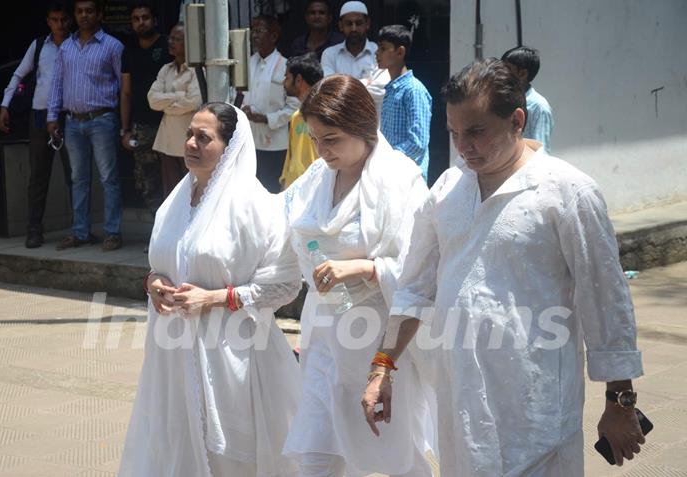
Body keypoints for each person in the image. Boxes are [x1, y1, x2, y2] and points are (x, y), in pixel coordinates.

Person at [361, 59, 645, 476]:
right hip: (460, 399)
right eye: (455, 133)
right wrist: (382, 367)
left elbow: (605, 299)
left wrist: (620, 402)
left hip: (537, 407)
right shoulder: (447, 189)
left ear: (517, 120)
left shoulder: (567, 192)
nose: (464, 146)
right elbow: (414, 287)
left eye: (477, 131)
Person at [119, 103, 302, 477]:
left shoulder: (255, 206)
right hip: (171, 351)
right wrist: (154, 283)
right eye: (190, 134)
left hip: (231, 352)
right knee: (174, 437)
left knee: (234, 450)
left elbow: (284, 284)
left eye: (204, 137)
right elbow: (164, 262)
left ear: (230, 145)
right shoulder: (174, 203)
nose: (190, 143)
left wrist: (214, 298)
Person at [281, 75, 434, 477]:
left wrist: (367, 268)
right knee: (317, 449)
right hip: (324, 331)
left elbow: (421, 268)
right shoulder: (317, 177)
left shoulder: (401, 181)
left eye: (330, 138)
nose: (321, 150)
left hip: (379, 337)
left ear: (363, 128)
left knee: (394, 450)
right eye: (315, 139)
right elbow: (284, 223)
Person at [47, 0, 124, 251]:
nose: (84, 16)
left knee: (108, 177)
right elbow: (57, 84)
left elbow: (124, 87)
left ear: (99, 14)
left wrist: (125, 122)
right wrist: (52, 116)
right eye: (79, 12)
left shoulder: (113, 47)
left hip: (102, 119)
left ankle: (113, 232)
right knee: (78, 178)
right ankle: (80, 232)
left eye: (89, 11)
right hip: (72, 122)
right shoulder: (66, 48)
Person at [0, 2, 72, 249]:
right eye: (55, 19)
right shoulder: (40, 45)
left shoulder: (76, 44)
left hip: (68, 114)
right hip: (40, 115)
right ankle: (34, 229)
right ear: (48, 21)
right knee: (38, 175)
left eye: (63, 19)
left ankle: (78, 229)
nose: (60, 24)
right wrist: (5, 105)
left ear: (68, 20)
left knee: (75, 175)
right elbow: (19, 74)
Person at [120, 2, 171, 217]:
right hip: (142, 126)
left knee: (173, 178)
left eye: (145, 17)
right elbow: (126, 92)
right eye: (136, 19)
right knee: (147, 181)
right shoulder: (128, 51)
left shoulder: (169, 46)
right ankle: (155, 233)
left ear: (154, 20)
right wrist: (125, 130)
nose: (141, 22)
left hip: (169, 123)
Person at [242, 15, 299, 193]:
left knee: (271, 189)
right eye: (253, 31)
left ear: (273, 36)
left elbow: (295, 106)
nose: (254, 35)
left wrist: (267, 118)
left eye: (259, 31)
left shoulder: (284, 65)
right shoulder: (247, 63)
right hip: (249, 139)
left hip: (275, 142)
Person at [148, 22, 200, 197]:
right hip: (168, 140)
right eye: (170, 38)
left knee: (190, 191)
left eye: (176, 39)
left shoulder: (197, 70)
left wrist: (167, 106)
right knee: (170, 192)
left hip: (188, 140)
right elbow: (152, 100)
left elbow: (193, 101)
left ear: (189, 43)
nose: (171, 42)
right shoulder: (166, 69)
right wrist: (178, 95)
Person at [376, 24, 432, 182]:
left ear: (400, 52)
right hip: (390, 178)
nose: (377, 53)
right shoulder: (390, 90)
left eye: (383, 48)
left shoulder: (414, 90)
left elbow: (417, 143)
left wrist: (387, 159)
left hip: (409, 179)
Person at [320, 1, 389, 118]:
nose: (354, 28)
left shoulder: (379, 52)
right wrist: (367, 82)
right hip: (340, 125)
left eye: (358, 23)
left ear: (367, 24)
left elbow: (381, 91)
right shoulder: (329, 54)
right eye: (349, 24)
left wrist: (342, 85)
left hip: (371, 127)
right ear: (341, 26)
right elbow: (329, 90)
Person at [279, 52, 323, 189]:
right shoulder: (296, 117)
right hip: (293, 190)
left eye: (287, 77)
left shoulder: (326, 117)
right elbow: (291, 157)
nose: (284, 82)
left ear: (298, 80)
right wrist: (284, 182)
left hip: (317, 189)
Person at [502, 46, 554, 152]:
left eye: (507, 69)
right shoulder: (504, 100)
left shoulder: (539, 107)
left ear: (522, 74)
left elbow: (540, 151)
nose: (501, 74)